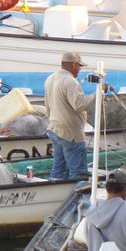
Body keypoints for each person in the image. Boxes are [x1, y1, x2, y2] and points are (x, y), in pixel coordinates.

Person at [44, 51, 92, 180]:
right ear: (75, 64)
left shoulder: (50, 78)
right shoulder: (70, 81)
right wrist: (98, 94)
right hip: (71, 133)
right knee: (78, 172)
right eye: (80, 67)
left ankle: (54, 195)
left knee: (59, 168)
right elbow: (80, 105)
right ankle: (76, 198)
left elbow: (47, 105)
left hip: (54, 129)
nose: (80, 70)